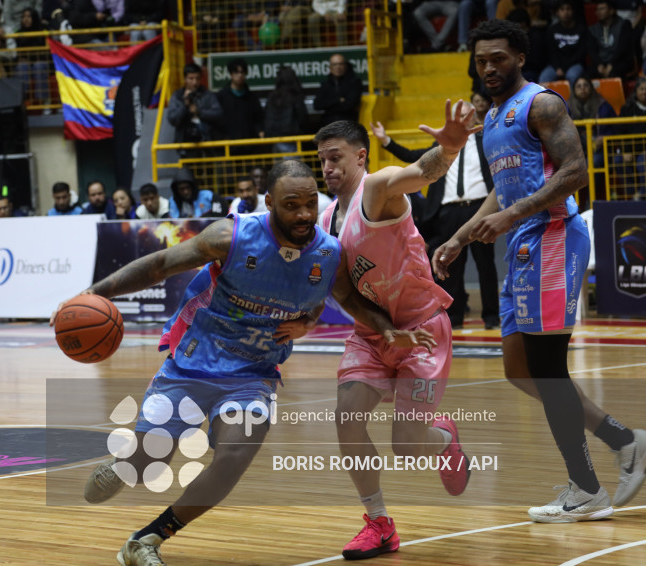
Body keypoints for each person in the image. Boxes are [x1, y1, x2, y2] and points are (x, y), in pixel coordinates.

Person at [56, 160, 434, 566]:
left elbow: (344, 297)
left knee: (236, 454)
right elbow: (160, 265)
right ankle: (129, 461)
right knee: (152, 460)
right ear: (269, 202)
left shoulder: (327, 251)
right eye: (292, 205)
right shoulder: (229, 236)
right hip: (191, 365)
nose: (305, 213)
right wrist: (90, 294)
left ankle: (145, 541)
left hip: (253, 375)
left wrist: (383, 328)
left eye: (310, 203)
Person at [434, 18, 646, 523]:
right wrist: (461, 235)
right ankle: (626, 442)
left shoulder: (542, 103)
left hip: (552, 235)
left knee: (548, 369)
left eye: (498, 58)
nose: (489, 67)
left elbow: (576, 171)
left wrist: (513, 214)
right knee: (520, 369)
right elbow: (501, 193)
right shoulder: (490, 120)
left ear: (520, 57)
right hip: (523, 243)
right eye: (481, 60)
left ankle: (586, 487)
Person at [314, 103, 481, 558]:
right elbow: (339, 289)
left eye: (336, 157)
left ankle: (444, 439)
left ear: (361, 157)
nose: (327, 167)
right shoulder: (326, 220)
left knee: (407, 447)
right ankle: (379, 523)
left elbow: (422, 171)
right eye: (322, 160)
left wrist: (447, 148)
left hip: (422, 329)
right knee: (347, 420)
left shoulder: (378, 188)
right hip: (372, 334)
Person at [371, 106, 500, 330]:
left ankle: (491, 318)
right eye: (458, 116)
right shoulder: (440, 147)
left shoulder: (486, 143)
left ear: (474, 119)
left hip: (479, 208)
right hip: (448, 211)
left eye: (466, 115)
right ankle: (454, 317)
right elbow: (413, 158)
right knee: (451, 266)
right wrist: (386, 141)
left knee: (486, 265)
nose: (461, 119)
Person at [167, 63, 223, 158]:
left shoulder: (207, 95)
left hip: (207, 144)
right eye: (191, 78)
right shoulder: (178, 96)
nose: (195, 82)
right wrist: (185, 106)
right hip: (185, 145)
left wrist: (199, 112)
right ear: (185, 79)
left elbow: (218, 113)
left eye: (197, 78)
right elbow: (172, 119)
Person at [215, 57, 264, 155]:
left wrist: (260, 132)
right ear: (231, 74)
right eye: (236, 72)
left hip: (249, 148)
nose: (240, 75)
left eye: (242, 72)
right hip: (228, 149)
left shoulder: (252, 97)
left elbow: (258, 119)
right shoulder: (221, 96)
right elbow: (216, 120)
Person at [568, 75, 618, 168]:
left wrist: (604, 138)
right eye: (579, 86)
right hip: (576, 149)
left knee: (593, 162)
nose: (582, 88)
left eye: (585, 85)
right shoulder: (568, 108)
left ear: (591, 88)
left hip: (600, 149)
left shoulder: (603, 105)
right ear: (574, 90)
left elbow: (616, 127)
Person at [538, 1, 587, 88]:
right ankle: (545, 101)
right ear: (557, 12)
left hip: (574, 64)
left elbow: (580, 54)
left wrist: (564, 67)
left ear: (573, 11)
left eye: (568, 9)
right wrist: (557, 67)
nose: (565, 12)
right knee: (544, 78)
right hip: (556, 65)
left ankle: (573, 101)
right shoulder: (552, 30)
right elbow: (551, 52)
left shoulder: (581, 29)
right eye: (562, 9)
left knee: (572, 76)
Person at [263, 66, 308, 155]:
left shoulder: (272, 96)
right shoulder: (295, 96)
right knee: (292, 168)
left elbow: (266, 118)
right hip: (291, 139)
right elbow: (303, 118)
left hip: (275, 140)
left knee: (278, 168)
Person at [588, 0, 634, 80]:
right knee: (588, 74)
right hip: (601, 62)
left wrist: (612, 64)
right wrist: (599, 64)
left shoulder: (624, 24)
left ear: (612, 11)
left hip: (620, 61)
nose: (599, 12)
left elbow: (622, 48)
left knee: (614, 73)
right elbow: (592, 50)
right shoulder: (592, 29)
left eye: (602, 9)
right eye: (597, 9)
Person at [313, 53, 363, 127]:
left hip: (348, 125)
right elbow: (317, 105)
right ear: (330, 67)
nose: (338, 67)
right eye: (335, 64)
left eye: (341, 64)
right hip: (328, 125)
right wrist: (338, 100)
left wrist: (329, 106)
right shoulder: (325, 84)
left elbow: (349, 105)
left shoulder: (354, 82)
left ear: (345, 66)